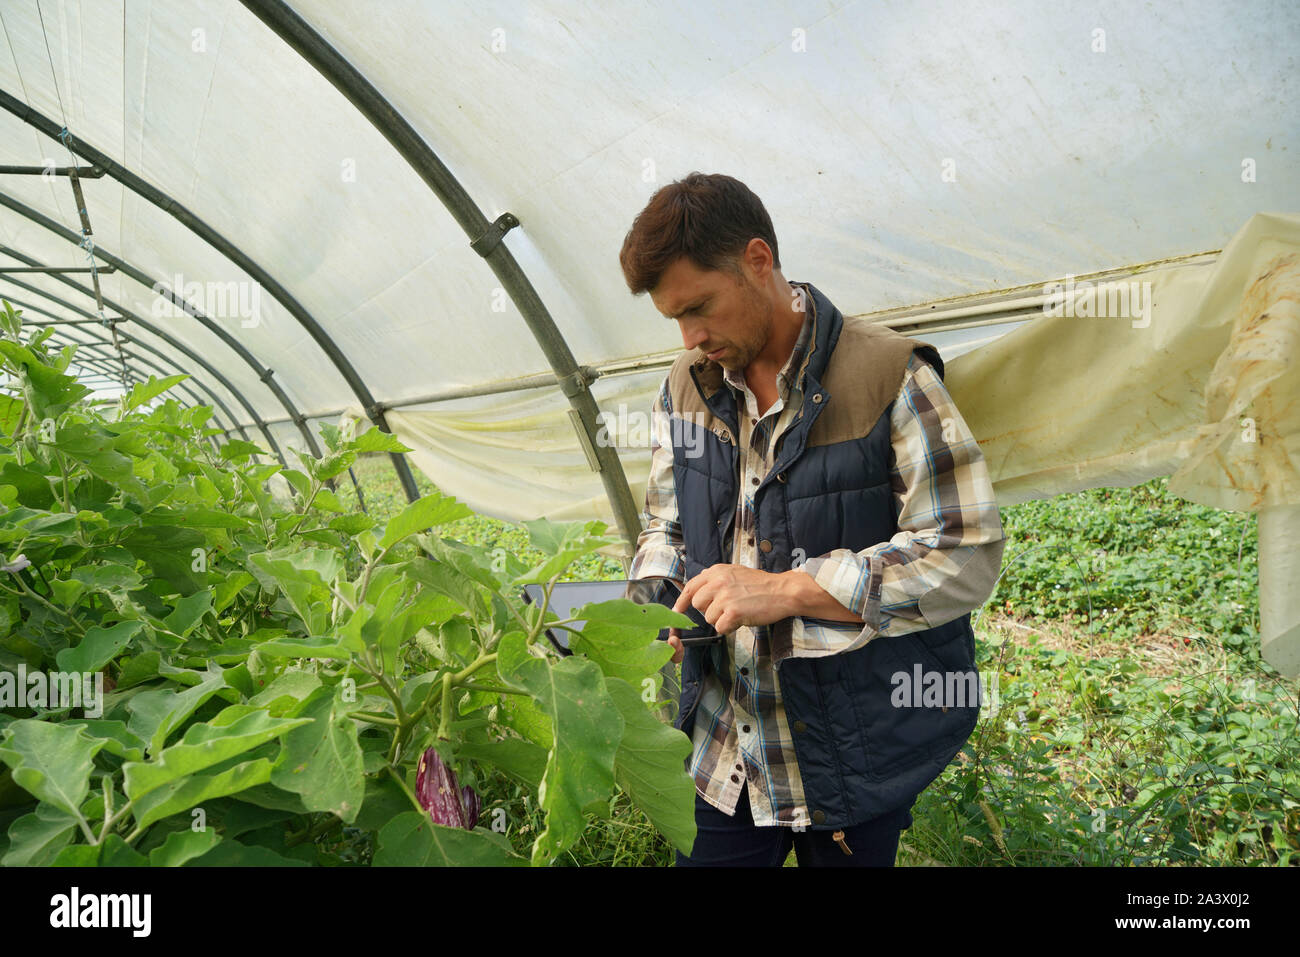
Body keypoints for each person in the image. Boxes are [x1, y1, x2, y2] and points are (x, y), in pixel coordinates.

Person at [618, 172, 1006, 867]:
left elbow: (964, 548)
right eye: (675, 319)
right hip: (725, 745)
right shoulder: (686, 385)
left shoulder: (889, 375)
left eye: (700, 306)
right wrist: (654, 606)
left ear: (758, 260)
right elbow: (664, 528)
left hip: (850, 750)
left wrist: (789, 589)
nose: (691, 336)